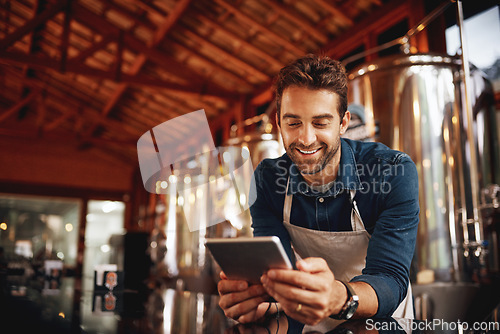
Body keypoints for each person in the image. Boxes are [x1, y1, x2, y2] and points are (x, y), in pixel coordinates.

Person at [217, 54, 419, 332]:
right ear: (278, 123)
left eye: (321, 123)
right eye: (293, 123)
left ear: (344, 122)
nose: (306, 138)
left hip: (380, 321)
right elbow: (277, 270)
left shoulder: (392, 172)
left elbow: (389, 277)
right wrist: (254, 299)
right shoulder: (267, 179)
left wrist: (339, 297)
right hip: (304, 321)